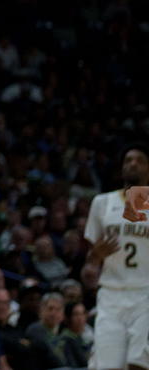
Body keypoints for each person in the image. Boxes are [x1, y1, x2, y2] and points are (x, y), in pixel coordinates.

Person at [82, 148, 148, 370]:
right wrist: (94, 258)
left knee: (138, 362)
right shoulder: (102, 202)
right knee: (109, 366)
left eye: (140, 160)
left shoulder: (143, 200)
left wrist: (139, 197)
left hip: (145, 293)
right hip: (111, 294)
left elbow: (138, 206)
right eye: (128, 160)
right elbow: (88, 267)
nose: (133, 164)